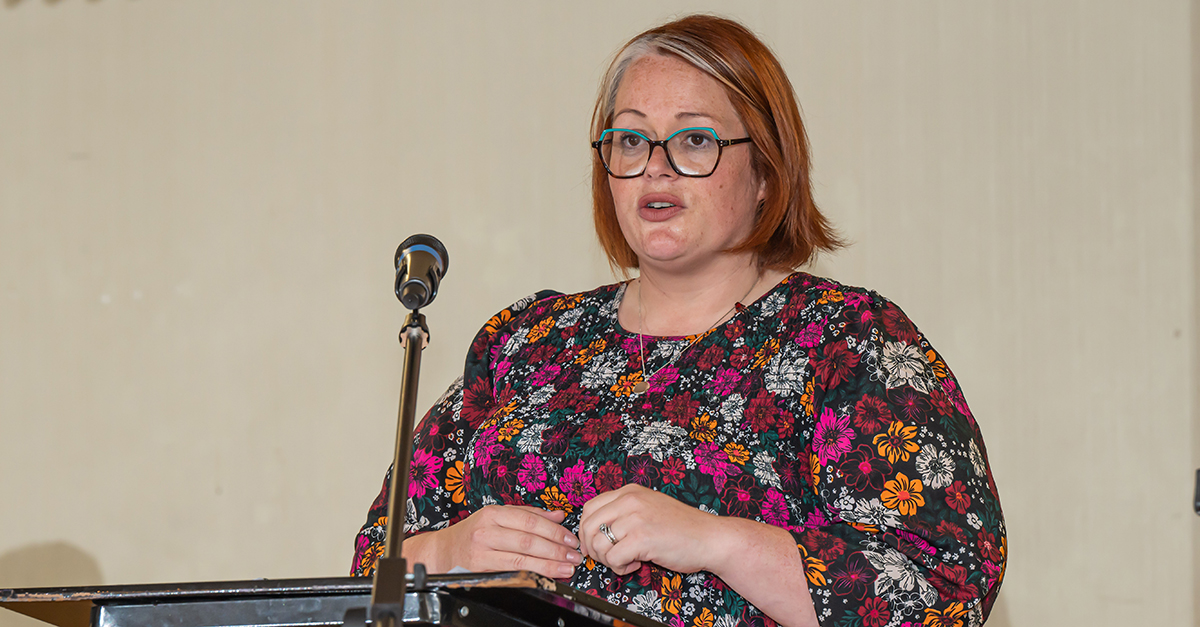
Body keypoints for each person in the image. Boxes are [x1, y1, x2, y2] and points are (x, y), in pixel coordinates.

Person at [352, 14, 1005, 627]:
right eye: (631, 140)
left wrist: (716, 541)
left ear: (766, 174)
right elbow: (373, 562)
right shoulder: (526, 341)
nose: (655, 167)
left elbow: (944, 584)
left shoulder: (845, 340)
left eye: (695, 139)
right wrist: (449, 551)